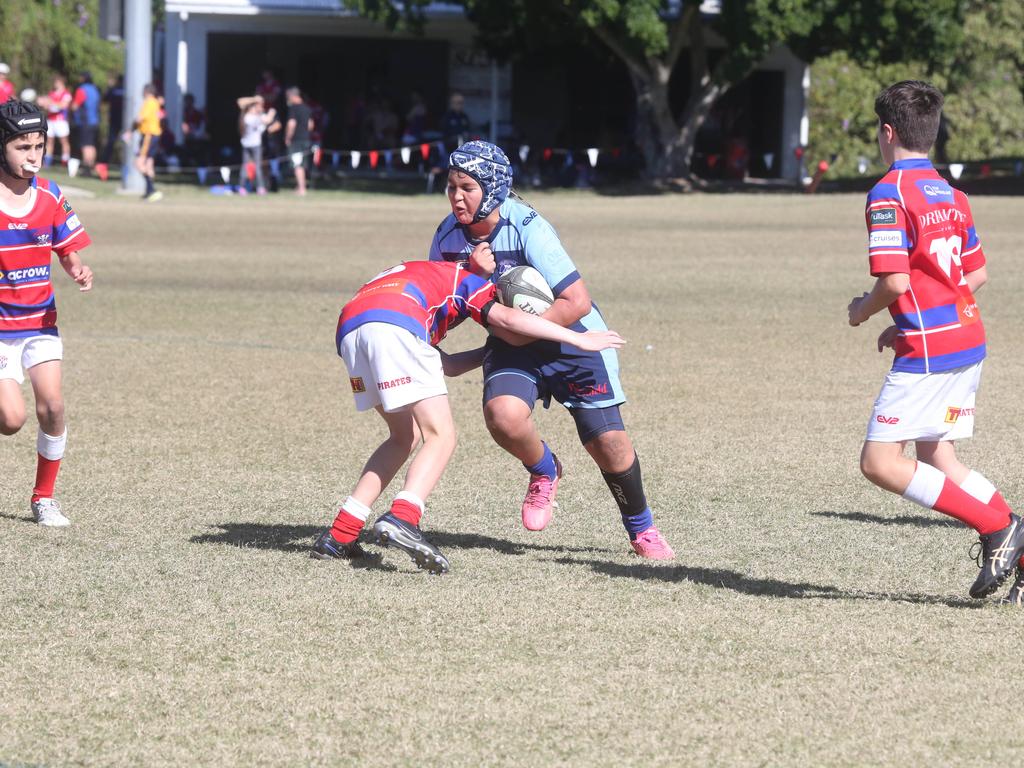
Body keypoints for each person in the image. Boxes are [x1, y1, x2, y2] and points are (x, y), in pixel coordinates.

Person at [429, 141, 674, 560]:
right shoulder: (448, 239)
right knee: (503, 417)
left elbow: (576, 301)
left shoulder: (529, 228)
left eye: (466, 187)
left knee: (607, 443)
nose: (455, 197)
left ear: (491, 189)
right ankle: (544, 469)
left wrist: (529, 332)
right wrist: (469, 276)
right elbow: (444, 306)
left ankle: (642, 529)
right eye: (450, 186)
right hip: (512, 344)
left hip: (572, 337)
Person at [313, 259, 625, 573]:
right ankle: (404, 518)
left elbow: (446, 365)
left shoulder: (419, 276)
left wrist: (491, 351)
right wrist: (577, 338)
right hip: (395, 328)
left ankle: (341, 534)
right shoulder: (466, 280)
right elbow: (508, 319)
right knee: (441, 436)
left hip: (351, 330)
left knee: (403, 437)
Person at [847, 80, 1024, 602]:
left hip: (931, 350)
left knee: (879, 463)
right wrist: (911, 318)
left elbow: (896, 281)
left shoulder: (888, 194)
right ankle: (1016, 537)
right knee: (938, 457)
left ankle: (999, 528)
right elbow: (977, 274)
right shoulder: (953, 192)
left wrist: (863, 309)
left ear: (886, 133)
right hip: (966, 337)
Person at [0, 98, 93, 526]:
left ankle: (44, 498)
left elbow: (66, 247)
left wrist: (76, 268)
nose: (32, 155)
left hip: (40, 322)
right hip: (1, 330)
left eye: (38, 146)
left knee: (52, 407)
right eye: (22, 147)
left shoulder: (50, 195)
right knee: (11, 420)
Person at [129, 83, 162, 202]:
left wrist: (130, 130)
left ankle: (152, 190)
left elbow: (140, 118)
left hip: (149, 135)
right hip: (155, 135)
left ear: (146, 92)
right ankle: (149, 192)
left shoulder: (149, 102)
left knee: (138, 163)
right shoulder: (156, 102)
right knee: (148, 164)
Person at [236, 95, 275, 195]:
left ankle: (242, 187)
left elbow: (263, 125)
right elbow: (267, 120)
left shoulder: (248, 117)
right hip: (254, 145)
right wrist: (271, 112)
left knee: (246, 166)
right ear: (251, 108)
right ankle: (260, 188)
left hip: (247, 144)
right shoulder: (250, 117)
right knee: (256, 167)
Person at [70, 71, 101, 176]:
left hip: (85, 121)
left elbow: (75, 106)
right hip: (95, 121)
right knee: (91, 144)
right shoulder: (95, 89)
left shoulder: (82, 90)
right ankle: (91, 166)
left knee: (85, 145)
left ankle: (86, 168)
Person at [284, 87, 313, 196]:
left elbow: (291, 124)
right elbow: (310, 125)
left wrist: (288, 137)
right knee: (303, 164)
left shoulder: (293, 108)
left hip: (296, 139)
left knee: (297, 164)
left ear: (292, 96)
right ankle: (300, 186)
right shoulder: (307, 108)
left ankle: (301, 188)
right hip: (306, 139)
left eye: (287, 97)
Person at [43, 75, 72, 166]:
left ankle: (65, 161)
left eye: (57, 82)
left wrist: (50, 103)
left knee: (64, 141)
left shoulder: (66, 94)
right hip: (50, 120)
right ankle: (47, 161)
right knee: (49, 141)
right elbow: (47, 106)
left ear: (61, 82)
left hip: (61, 121)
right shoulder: (51, 93)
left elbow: (63, 105)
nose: (55, 84)